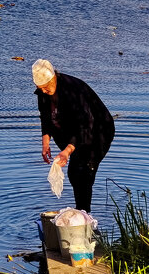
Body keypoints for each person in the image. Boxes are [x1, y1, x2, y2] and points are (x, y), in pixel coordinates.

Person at [32, 59, 115, 213]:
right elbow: (45, 117)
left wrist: (67, 151)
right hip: (72, 131)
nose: (43, 92)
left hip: (98, 131)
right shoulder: (43, 93)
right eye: (40, 88)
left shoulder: (73, 92)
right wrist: (45, 143)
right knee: (74, 172)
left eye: (46, 87)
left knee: (84, 171)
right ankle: (82, 212)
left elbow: (85, 125)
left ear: (53, 78)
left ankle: (85, 216)